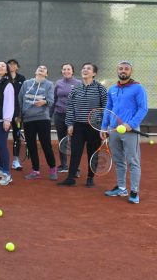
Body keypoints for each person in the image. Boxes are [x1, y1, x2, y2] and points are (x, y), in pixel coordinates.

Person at [103, 61, 148, 204]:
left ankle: (134, 192)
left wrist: (131, 124)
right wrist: (105, 127)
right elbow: (107, 109)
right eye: (121, 68)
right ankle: (121, 188)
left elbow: (143, 108)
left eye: (126, 69)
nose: (123, 71)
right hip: (113, 130)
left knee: (133, 162)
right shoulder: (112, 89)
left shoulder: (138, 88)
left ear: (131, 72)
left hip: (130, 131)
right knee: (118, 161)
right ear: (117, 71)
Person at [59, 63, 107, 188]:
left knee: (93, 153)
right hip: (78, 126)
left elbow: (105, 108)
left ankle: (90, 178)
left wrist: (103, 127)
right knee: (75, 152)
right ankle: (70, 178)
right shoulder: (75, 89)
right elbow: (70, 107)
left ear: (94, 73)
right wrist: (70, 124)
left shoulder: (100, 89)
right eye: (84, 68)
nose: (85, 70)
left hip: (94, 127)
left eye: (89, 69)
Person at [19, 65, 56, 180]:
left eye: (44, 69)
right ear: (35, 71)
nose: (41, 69)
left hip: (42, 119)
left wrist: (44, 102)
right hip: (28, 119)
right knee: (31, 145)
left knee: (46, 144)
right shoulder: (26, 84)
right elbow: (20, 99)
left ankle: (53, 168)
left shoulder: (49, 84)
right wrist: (20, 115)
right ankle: (35, 170)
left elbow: (51, 100)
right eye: (40, 68)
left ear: (46, 74)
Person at [52, 63, 81, 173]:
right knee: (62, 141)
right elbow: (55, 99)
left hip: (73, 117)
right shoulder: (58, 83)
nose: (66, 71)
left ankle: (75, 168)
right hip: (59, 115)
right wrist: (50, 114)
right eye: (64, 69)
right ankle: (63, 165)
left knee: (75, 142)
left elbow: (80, 101)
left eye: (68, 69)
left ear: (72, 71)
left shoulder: (78, 83)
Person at [7, 59, 26, 171]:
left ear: (17, 67)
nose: (11, 66)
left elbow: (23, 96)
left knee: (16, 136)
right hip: (5, 113)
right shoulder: (4, 79)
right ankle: (1, 162)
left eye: (14, 64)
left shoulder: (22, 79)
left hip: (17, 113)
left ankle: (16, 160)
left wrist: (19, 114)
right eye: (9, 64)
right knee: (1, 137)